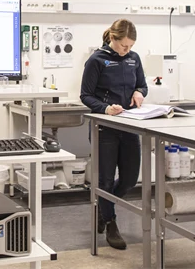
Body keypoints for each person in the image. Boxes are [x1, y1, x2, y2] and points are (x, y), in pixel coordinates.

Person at [80, 19, 148, 250]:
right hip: (104, 128)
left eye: (130, 46)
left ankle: (102, 207)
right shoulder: (96, 60)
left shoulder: (134, 59)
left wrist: (139, 93)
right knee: (105, 180)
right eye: (123, 45)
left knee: (129, 179)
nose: (126, 50)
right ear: (112, 38)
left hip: (129, 126)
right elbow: (86, 95)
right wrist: (106, 108)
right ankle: (110, 223)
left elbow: (142, 85)